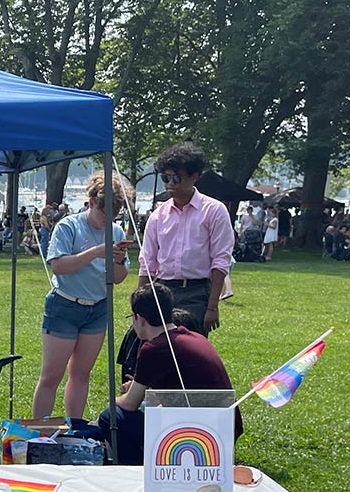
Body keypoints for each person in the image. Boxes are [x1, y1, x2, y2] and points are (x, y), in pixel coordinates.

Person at [98, 281, 242, 465]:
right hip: (224, 429)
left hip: (196, 435)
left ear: (140, 318)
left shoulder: (153, 348)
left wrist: (113, 400)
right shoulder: (194, 336)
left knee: (109, 417)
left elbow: (129, 404)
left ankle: (137, 470)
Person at [31, 171, 132, 420]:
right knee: (51, 376)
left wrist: (118, 262)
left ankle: (75, 427)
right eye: (102, 215)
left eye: (113, 217)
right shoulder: (69, 226)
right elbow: (58, 266)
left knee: (81, 374)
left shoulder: (117, 232)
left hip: (97, 308)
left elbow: (119, 278)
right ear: (91, 203)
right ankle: (37, 431)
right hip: (64, 306)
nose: (106, 222)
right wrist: (96, 252)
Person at [137, 142, 233, 335]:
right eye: (166, 177)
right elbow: (147, 261)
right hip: (162, 290)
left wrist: (212, 307)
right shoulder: (158, 215)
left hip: (197, 292)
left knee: (189, 351)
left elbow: (221, 261)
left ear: (194, 176)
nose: (170, 183)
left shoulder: (214, 211)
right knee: (158, 348)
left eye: (177, 178)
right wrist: (139, 304)